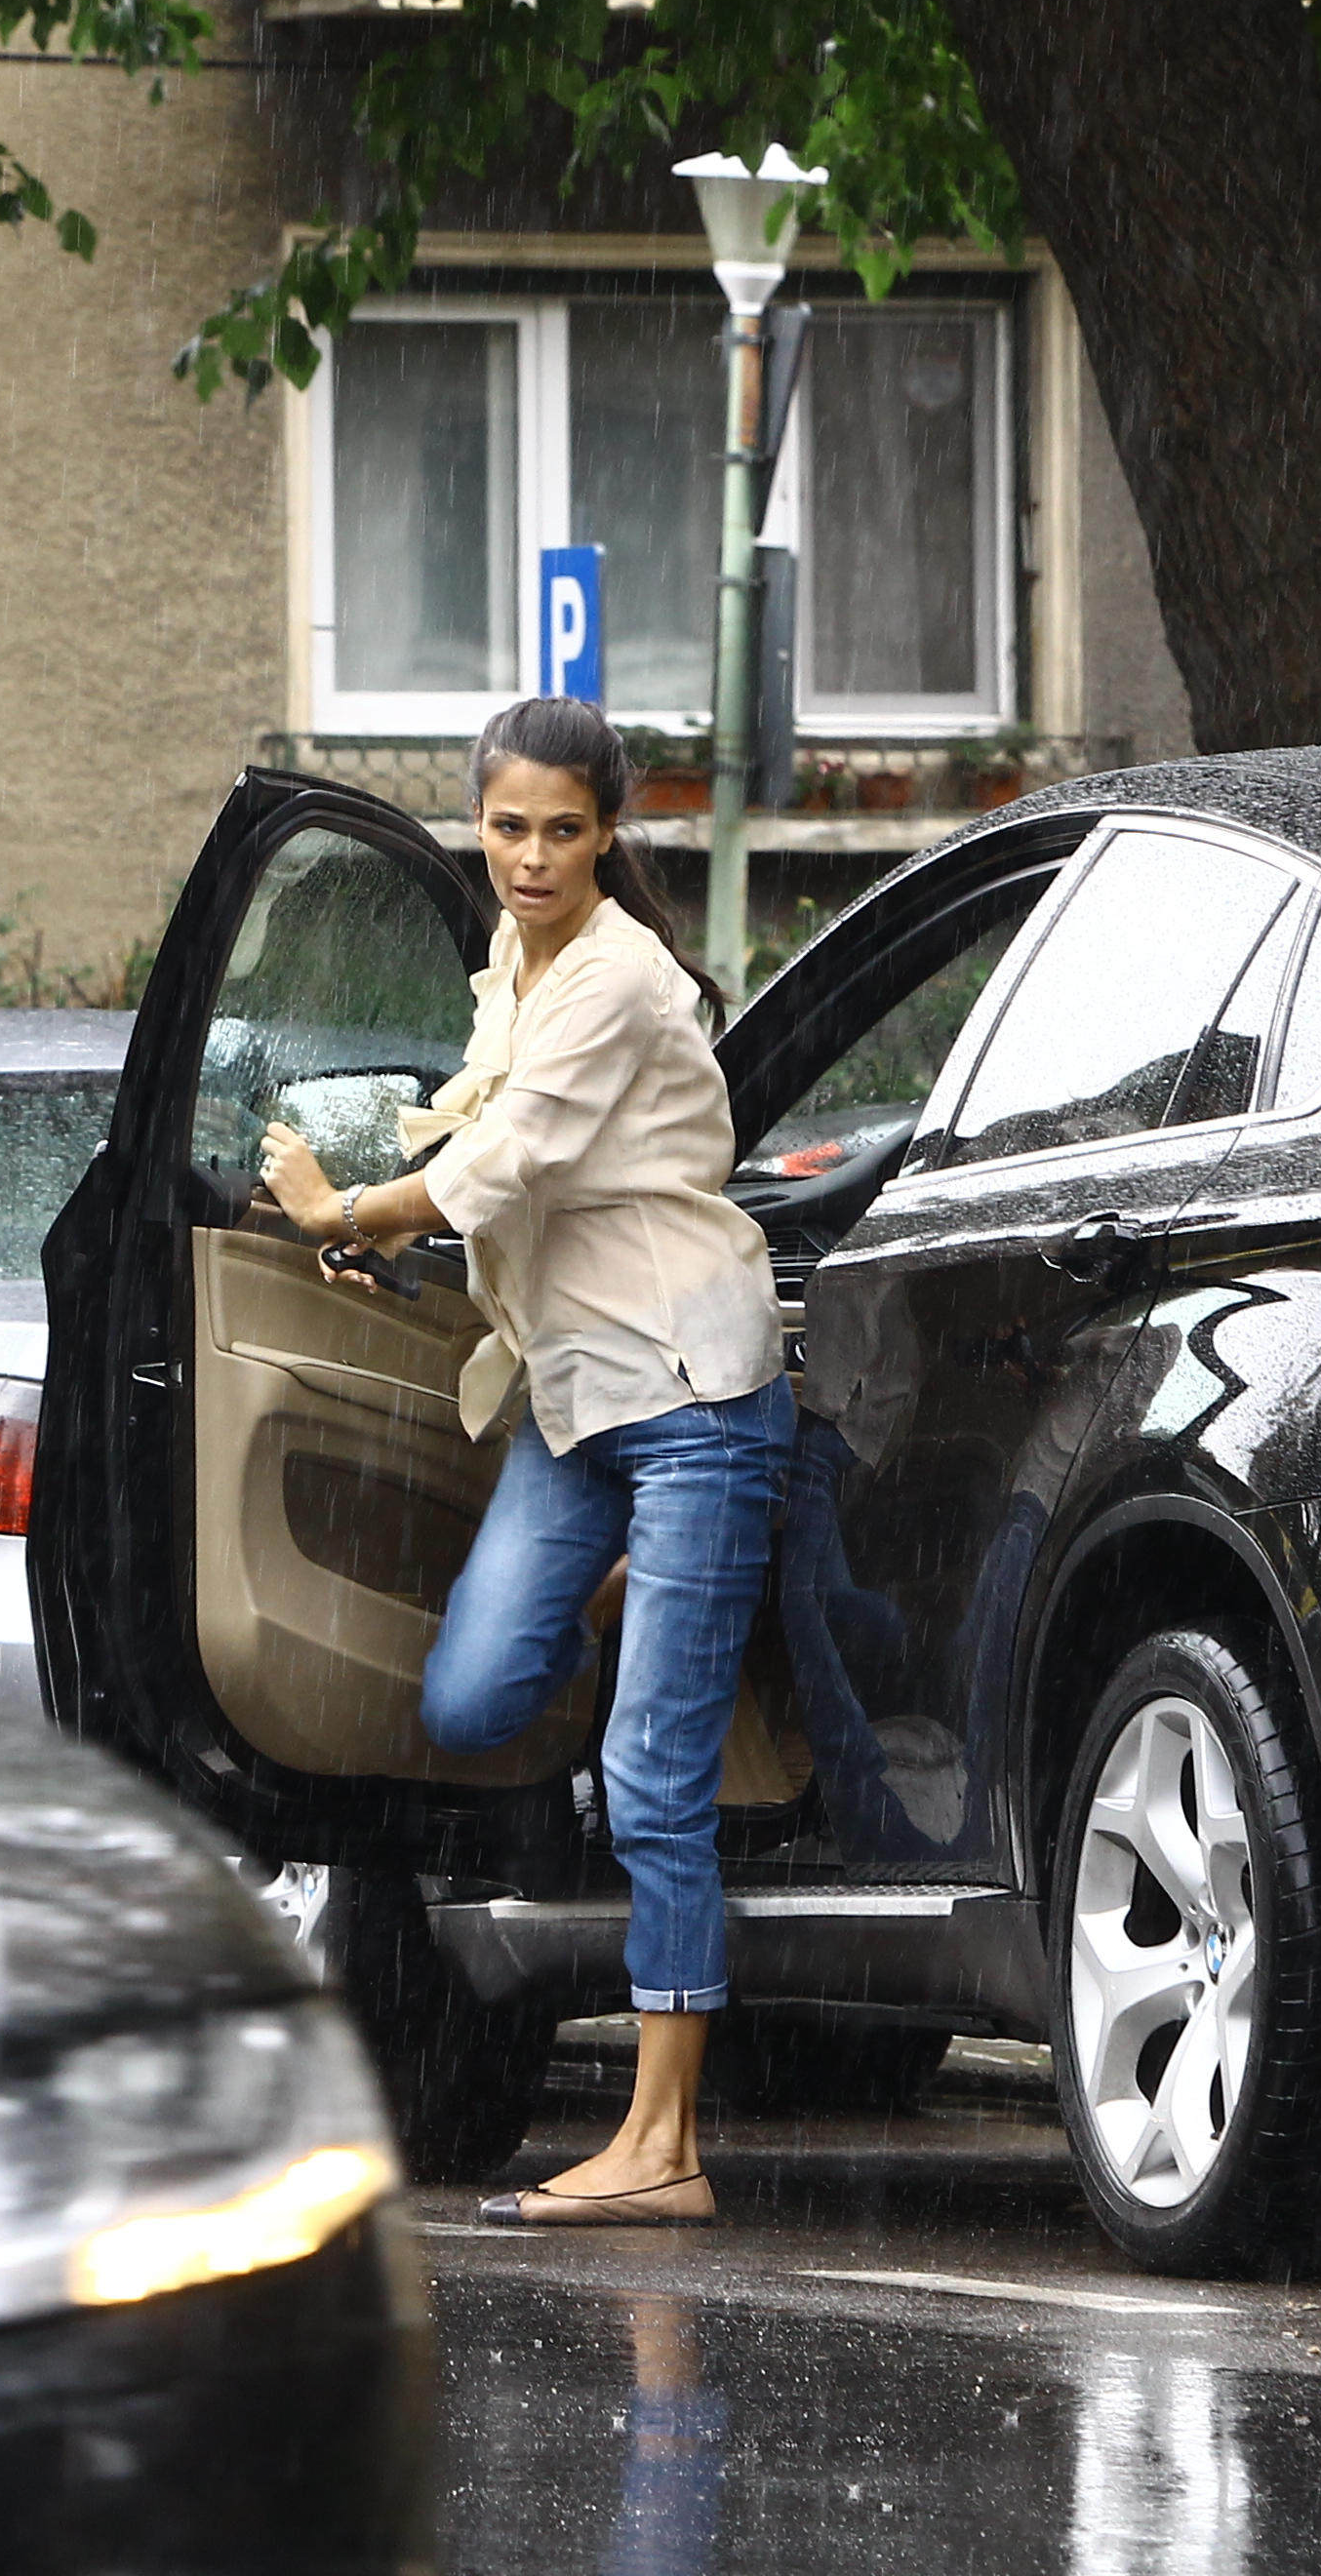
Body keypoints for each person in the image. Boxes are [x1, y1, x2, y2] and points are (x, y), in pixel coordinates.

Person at [256, 694, 789, 2228]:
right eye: (509, 828)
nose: (535, 857)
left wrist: (339, 1211)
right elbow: (497, 1181)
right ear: (476, 825)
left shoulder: (619, 979)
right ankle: (653, 1627)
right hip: (571, 1402)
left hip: (690, 1394)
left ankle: (663, 2144)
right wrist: (395, 1248)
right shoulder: (514, 964)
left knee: (648, 1788)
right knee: (473, 1693)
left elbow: (503, 1164)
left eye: (566, 829)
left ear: (611, 833)